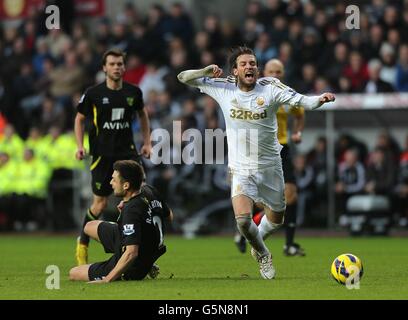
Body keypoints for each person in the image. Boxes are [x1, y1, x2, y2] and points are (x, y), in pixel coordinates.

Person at [177, 46, 335, 279]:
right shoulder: (223, 87)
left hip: (271, 164)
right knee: (242, 220)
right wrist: (206, 71)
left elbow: (302, 101)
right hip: (241, 167)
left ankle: (257, 241)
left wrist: (319, 99)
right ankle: (262, 254)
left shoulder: (271, 87)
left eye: (252, 63)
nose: (249, 67)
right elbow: (182, 77)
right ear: (235, 70)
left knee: (277, 218)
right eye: (244, 64)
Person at [74, 49, 152, 265]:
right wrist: (80, 146)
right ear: (104, 68)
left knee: (138, 199)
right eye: (112, 64)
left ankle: (143, 250)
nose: (117, 67)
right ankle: (82, 244)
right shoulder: (93, 94)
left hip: (127, 154)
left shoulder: (133, 92)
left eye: (120, 64)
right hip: (102, 156)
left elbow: (142, 114)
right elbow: (79, 119)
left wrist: (146, 142)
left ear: (124, 67)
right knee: (99, 204)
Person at [234, 59, 306, 256]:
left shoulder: (285, 95)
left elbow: (300, 113)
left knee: (291, 195)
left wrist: (297, 132)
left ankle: (289, 245)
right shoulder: (256, 93)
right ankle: (245, 231)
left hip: (282, 148)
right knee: (262, 203)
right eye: (271, 71)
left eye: (279, 72)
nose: (275, 75)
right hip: (258, 151)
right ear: (263, 72)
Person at [69, 160, 173, 282]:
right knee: (88, 226)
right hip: (147, 248)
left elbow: (131, 253)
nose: (110, 182)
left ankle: (131, 269)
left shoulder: (131, 210)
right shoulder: (148, 190)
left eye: (114, 179)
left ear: (126, 185)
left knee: (73, 273)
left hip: (133, 266)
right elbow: (169, 216)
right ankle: (145, 260)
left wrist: (107, 279)